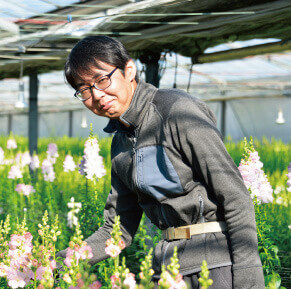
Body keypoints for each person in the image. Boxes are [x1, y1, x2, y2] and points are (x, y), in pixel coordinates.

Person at [57, 36, 264, 288]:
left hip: (216, 267)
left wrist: (248, 277)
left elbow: (235, 196)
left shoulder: (177, 111)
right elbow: (117, 230)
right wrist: (53, 265)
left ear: (129, 70)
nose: (97, 95)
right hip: (167, 269)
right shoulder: (121, 142)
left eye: (102, 80)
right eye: (85, 89)